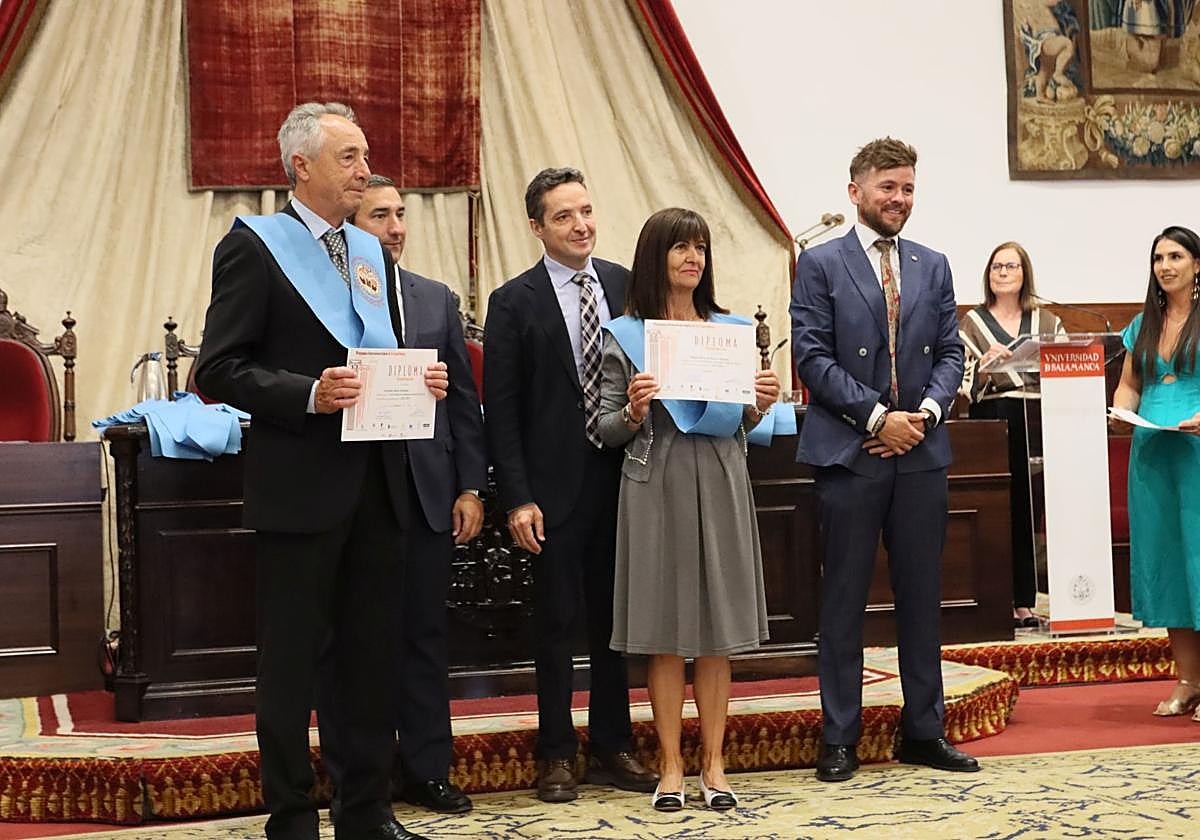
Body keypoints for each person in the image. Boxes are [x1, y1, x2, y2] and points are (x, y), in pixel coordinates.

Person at [194, 103, 444, 840]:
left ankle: (366, 809)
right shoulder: (255, 248)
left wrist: (418, 381)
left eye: (365, 156)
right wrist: (306, 394)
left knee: (371, 659)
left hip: (379, 484)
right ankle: (293, 815)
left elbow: (379, 353)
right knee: (293, 664)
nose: (365, 171)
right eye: (349, 158)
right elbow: (221, 367)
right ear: (300, 165)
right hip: (301, 487)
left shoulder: (370, 254)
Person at [789, 137, 978, 783]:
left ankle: (924, 731)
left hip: (921, 456)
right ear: (856, 192)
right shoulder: (818, 263)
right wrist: (876, 418)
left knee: (922, 599)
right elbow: (811, 356)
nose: (899, 199)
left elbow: (952, 352)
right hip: (849, 453)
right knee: (842, 601)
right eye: (888, 187)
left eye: (908, 189)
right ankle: (838, 737)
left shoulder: (934, 263)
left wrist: (922, 416)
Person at [482, 168, 658, 803]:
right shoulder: (513, 301)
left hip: (626, 485)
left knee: (618, 626)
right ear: (537, 227)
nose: (581, 225)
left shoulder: (625, 285)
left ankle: (613, 745)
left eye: (586, 210)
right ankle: (556, 752)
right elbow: (500, 412)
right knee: (556, 627)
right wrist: (517, 497)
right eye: (564, 216)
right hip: (551, 495)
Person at [597, 207, 778, 811]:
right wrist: (633, 411)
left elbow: (748, 424)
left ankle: (716, 763)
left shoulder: (727, 329)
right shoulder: (624, 333)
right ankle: (672, 765)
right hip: (656, 480)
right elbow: (598, 427)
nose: (693, 258)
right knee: (667, 632)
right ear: (656, 256)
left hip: (721, 477)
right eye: (680, 248)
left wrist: (759, 401)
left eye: (700, 247)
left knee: (718, 633)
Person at [332, 174, 485, 815]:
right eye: (379, 216)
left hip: (426, 491)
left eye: (400, 215)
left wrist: (471, 487)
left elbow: (466, 408)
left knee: (424, 637)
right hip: (353, 496)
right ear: (349, 225)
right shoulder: (325, 295)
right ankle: (356, 782)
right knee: (354, 645)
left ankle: (428, 769)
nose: (395, 227)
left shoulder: (434, 298)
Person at [1110, 225, 1200, 719]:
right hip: (1151, 450)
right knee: (1166, 564)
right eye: (1158, 258)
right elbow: (1129, 385)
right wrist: (1121, 411)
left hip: (1197, 449)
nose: (1165, 266)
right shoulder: (1142, 323)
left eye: (1176, 256)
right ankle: (1188, 681)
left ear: (1197, 265)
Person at [958, 242, 1064, 628]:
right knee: (996, 508)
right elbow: (958, 377)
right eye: (996, 266)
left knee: (1027, 508)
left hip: (1036, 418)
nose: (1003, 272)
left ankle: (1025, 600)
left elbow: (1068, 366)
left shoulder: (1046, 322)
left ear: (1025, 275)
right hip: (993, 417)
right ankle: (995, 598)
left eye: (1011, 266)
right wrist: (982, 368)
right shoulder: (972, 322)